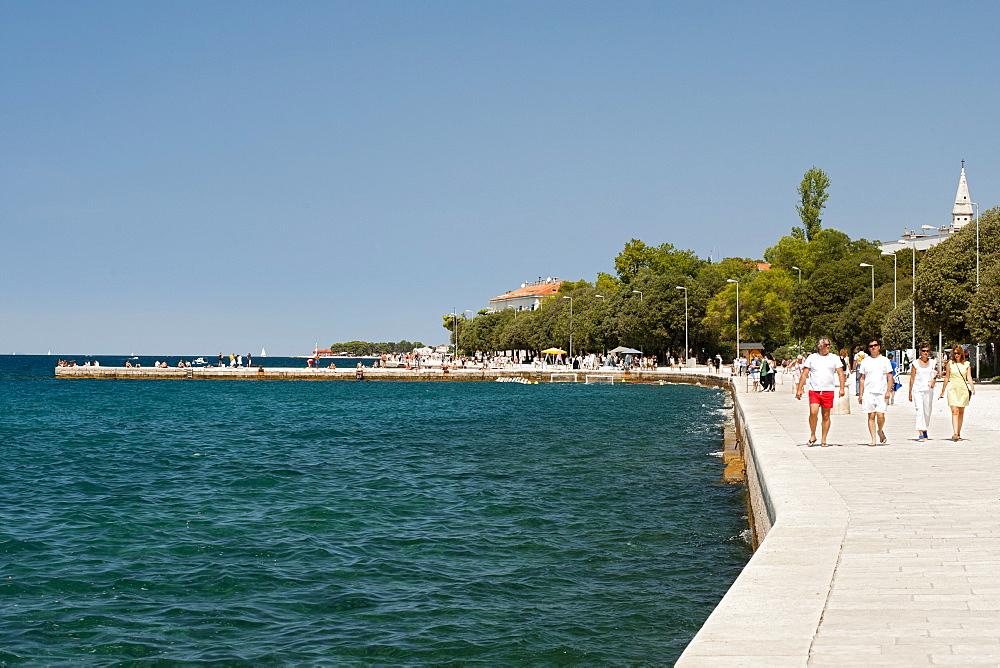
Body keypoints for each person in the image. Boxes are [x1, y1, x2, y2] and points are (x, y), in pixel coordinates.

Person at [795, 337, 846, 447]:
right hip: (815, 390)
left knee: (826, 415)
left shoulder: (834, 358)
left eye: (829, 345)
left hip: (828, 390)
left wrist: (842, 388)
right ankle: (813, 434)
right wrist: (799, 389)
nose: (828, 347)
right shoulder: (812, 358)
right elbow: (804, 374)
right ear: (820, 346)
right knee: (813, 412)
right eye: (826, 345)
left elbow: (840, 373)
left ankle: (824, 439)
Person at [858, 338, 894, 446]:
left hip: (881, 392)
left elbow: (890, 376)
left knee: (880, 415)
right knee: (871, 415)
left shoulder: (884, 360)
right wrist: (860, 394)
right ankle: (873, 439)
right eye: (870, 346)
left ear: (879, 347)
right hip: (869, 392)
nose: (873, 347)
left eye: (875, 345)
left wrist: (888, 391)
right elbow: (862, 378)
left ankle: (880, 430)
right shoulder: (865, 361)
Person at [938, 344, 975, 441]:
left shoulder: (966, 364)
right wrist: (942, 391)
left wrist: (972, 386)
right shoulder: (950, 363)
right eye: (955, 353)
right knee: (955, 411)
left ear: (961, 353)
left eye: (958, 353)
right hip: (952, 389)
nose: (956, 355)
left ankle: (958, 433)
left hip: (963, 389)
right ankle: (954, 433)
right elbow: (946, 378)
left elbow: (969, 377)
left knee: (961, 412)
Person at [908, 342, 936, 441]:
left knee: (927, 411)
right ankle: (920, 431)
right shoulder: (915, 363)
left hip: (928, 390)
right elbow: (912, 378)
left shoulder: (932, 363)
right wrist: (910, 392)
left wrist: (934, 381)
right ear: (920, 351)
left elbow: (935, 374)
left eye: (927, 351)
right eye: (923, 351)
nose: (925, 353)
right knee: (919, 410)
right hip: (917, 390)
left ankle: (924, 428)